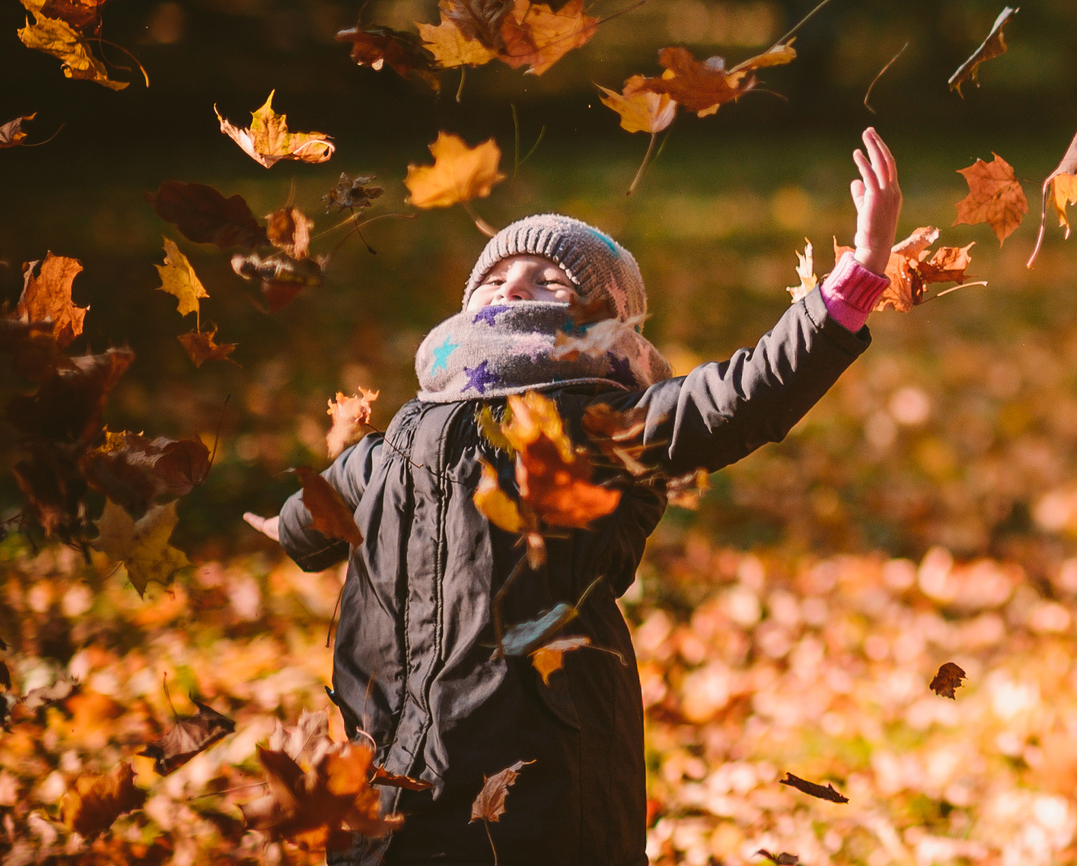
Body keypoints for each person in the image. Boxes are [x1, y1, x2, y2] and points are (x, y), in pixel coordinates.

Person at [247, 127, 907, 863]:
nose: (515, 286)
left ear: (605, 323)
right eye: (497, 278)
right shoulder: (404, 435)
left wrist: (854, 281)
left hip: (543, 775)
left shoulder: (603, 425)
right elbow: (332, 500)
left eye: (551, 280)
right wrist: (287, 528)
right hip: (391, 769)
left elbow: (738, 397)